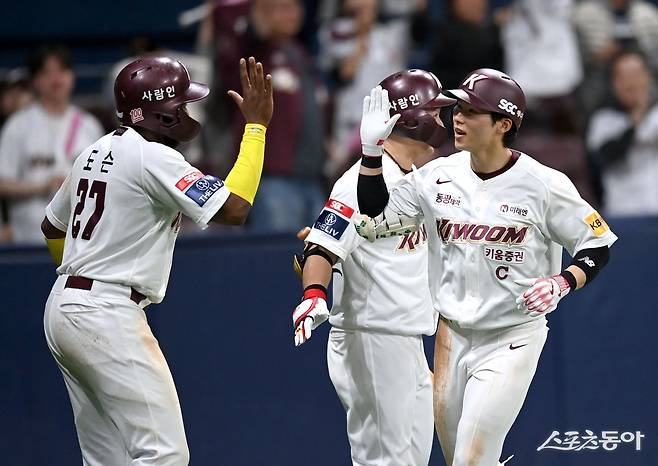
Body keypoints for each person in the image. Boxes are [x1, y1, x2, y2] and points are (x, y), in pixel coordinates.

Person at [355, 69, 617, 466]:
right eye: (457, 108)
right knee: (457, 458)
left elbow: (597, 243)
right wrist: (371, 153)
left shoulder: (543, 183)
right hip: (451, 336)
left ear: (503, 124)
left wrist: (564, 281)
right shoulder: (437, 176)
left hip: (511, 336)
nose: (457, 118)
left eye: (472, 111)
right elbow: (375, 210)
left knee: (471, 461)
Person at [41, 56, 272, 465]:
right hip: (105, 311)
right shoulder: (151, 156)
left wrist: (80, 276)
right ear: (160, 113)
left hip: (65, 306)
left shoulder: (93, 151)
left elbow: (52, 227)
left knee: (107, 457)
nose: (186, 112)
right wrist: (256, 128)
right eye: (180, 105)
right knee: (164, 453)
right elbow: (234, 209)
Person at [291, 69, 455, 466]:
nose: (442, 120)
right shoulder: (356, 184)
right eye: (434, 111)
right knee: (384, 460)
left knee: (411, 459)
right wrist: (314, 294)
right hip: (372, 335)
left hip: (406, 336)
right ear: (410, 118)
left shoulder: (417, 178)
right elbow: (321, 248)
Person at [213, 0, 328, 232]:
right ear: (261, 11)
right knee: (276, 259)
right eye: (282, 7)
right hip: (273, 179)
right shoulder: (252, 52)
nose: (292, 13)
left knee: (317, 260)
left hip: (312, 177)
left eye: (295, 6)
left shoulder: (299, 52)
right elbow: (225, 16)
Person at [0, 45, 103, 243]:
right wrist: (41, 187)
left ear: (72, 76)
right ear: (35, 80)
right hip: (29, 240)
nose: (57, 79)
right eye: (47, 72)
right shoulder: (18, 125)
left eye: (62, 71)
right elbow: (2, 182)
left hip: (81, 245)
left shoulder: (89, 125)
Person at [586, 49, 658, 216]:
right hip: (622, 213)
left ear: (648, 77)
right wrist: (637, 118)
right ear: (614, 84)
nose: (631, 83)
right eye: (624, 77)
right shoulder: (602, 120)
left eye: (636, 74)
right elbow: (605, 158)